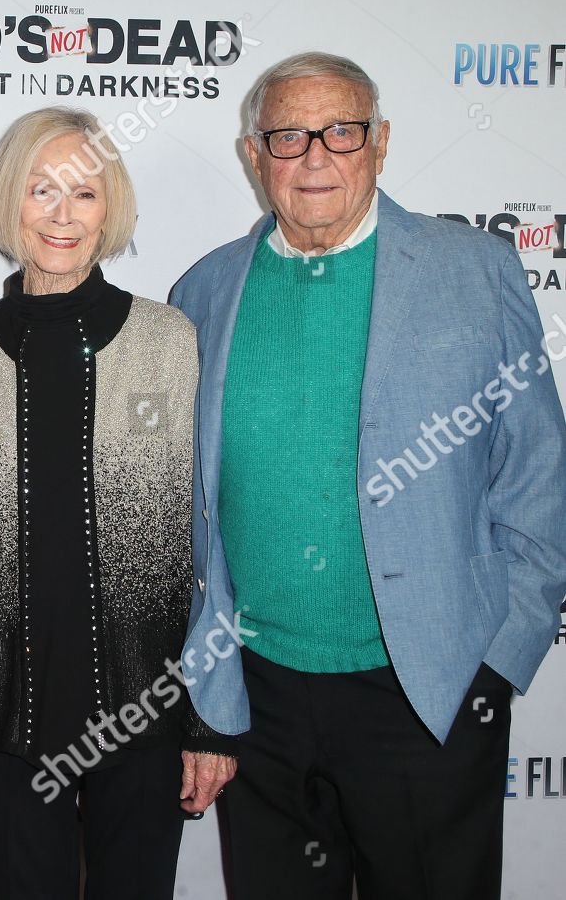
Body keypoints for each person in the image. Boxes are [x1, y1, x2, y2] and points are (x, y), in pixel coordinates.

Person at [170, 51, 566, 899]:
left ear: (380, 142)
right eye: (288, 136)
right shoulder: (203, 290)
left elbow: (538, 470)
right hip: (260, 693)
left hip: (427, 687)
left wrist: (496, 664)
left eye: (341, 132)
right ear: (254, 154)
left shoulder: (476, 270)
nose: (315, 156)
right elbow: (192, 511)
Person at [0, 107, 236, 899]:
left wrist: (208, 718)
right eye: (41, 189)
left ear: (111, 210)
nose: (62, 215)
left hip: (148, 713)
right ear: (8, 200)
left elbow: (213, 539)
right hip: (9, 717)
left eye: (84, 192)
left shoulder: (173, 342)